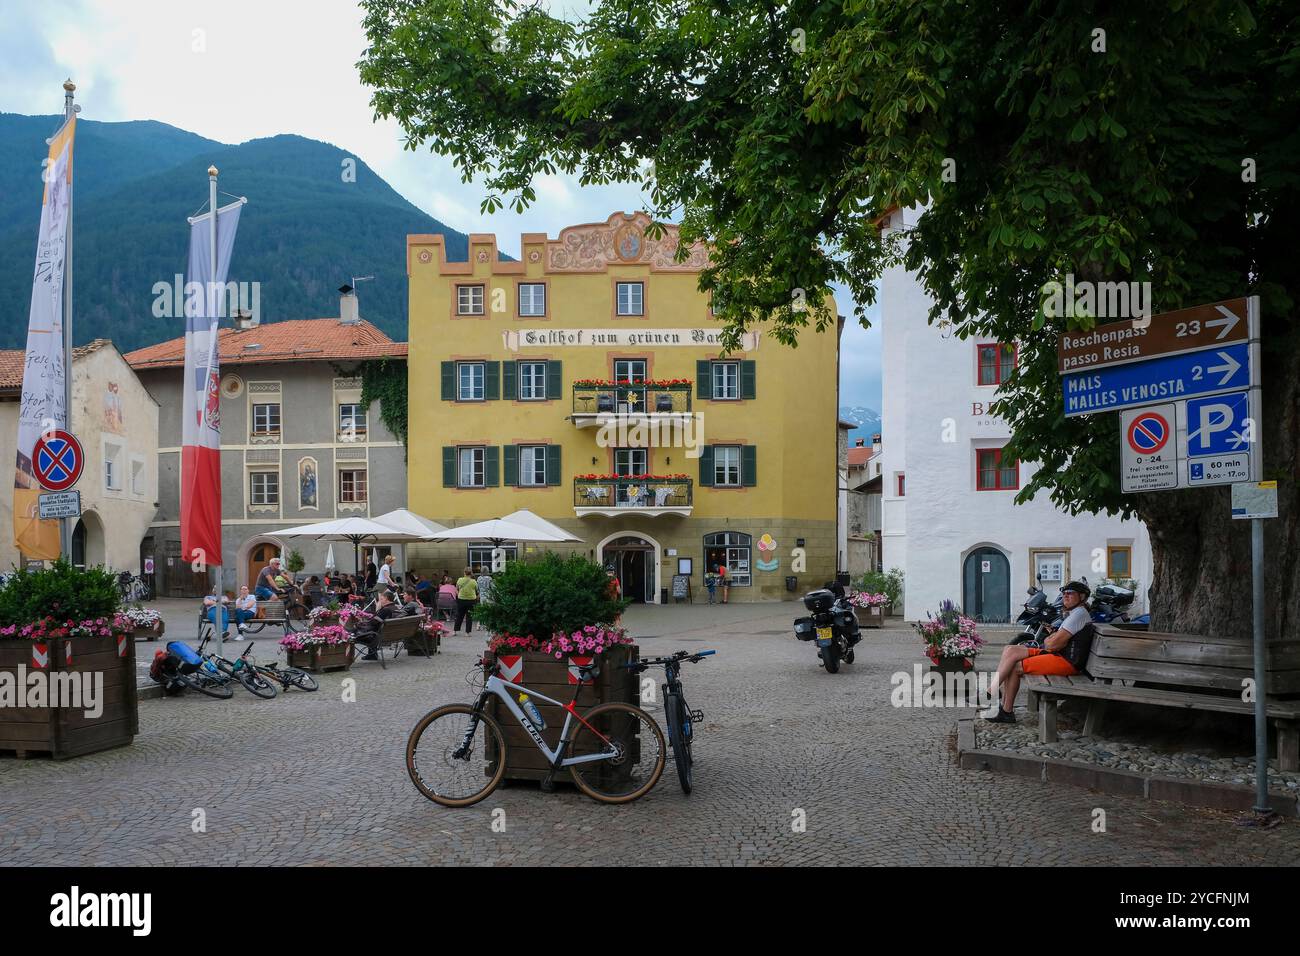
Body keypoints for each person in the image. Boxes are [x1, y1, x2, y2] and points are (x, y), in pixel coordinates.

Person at [986, 581, 1096, 723]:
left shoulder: (1078, 614)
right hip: (1060, 655)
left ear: (1082, 597)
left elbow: (1053, 644)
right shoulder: (1074, 613)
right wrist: (1053, 637)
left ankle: (1005, 710)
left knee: (1014, 667)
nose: (1065, 596)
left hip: (1067, 662)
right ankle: (994, 693)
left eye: (1070, 593)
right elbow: (1055, 640)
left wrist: (1051, 639)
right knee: (1010, 650)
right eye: (1064, 593)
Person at [354, 589, 401, 661]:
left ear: (386, 598)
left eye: (381, 599)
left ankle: (348, 657)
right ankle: (372, 654)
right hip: (390, 634)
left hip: (377, 636)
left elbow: (373, 623)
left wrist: (359, 623)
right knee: (373, 628)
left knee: (352, 632)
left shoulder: (386, 610)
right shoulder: (396, 607)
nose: (380, 601)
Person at [454, 566, 479, 634]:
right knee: (469, 616)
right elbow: (477, 590)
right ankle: (467, 632)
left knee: (459, 615)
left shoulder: (460, 580)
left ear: (464, 572)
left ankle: (455, 631)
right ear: (471, 573)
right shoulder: (473, 581)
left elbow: (456, 589)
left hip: (461, 600)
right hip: (471, 600)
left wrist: (459, 594)